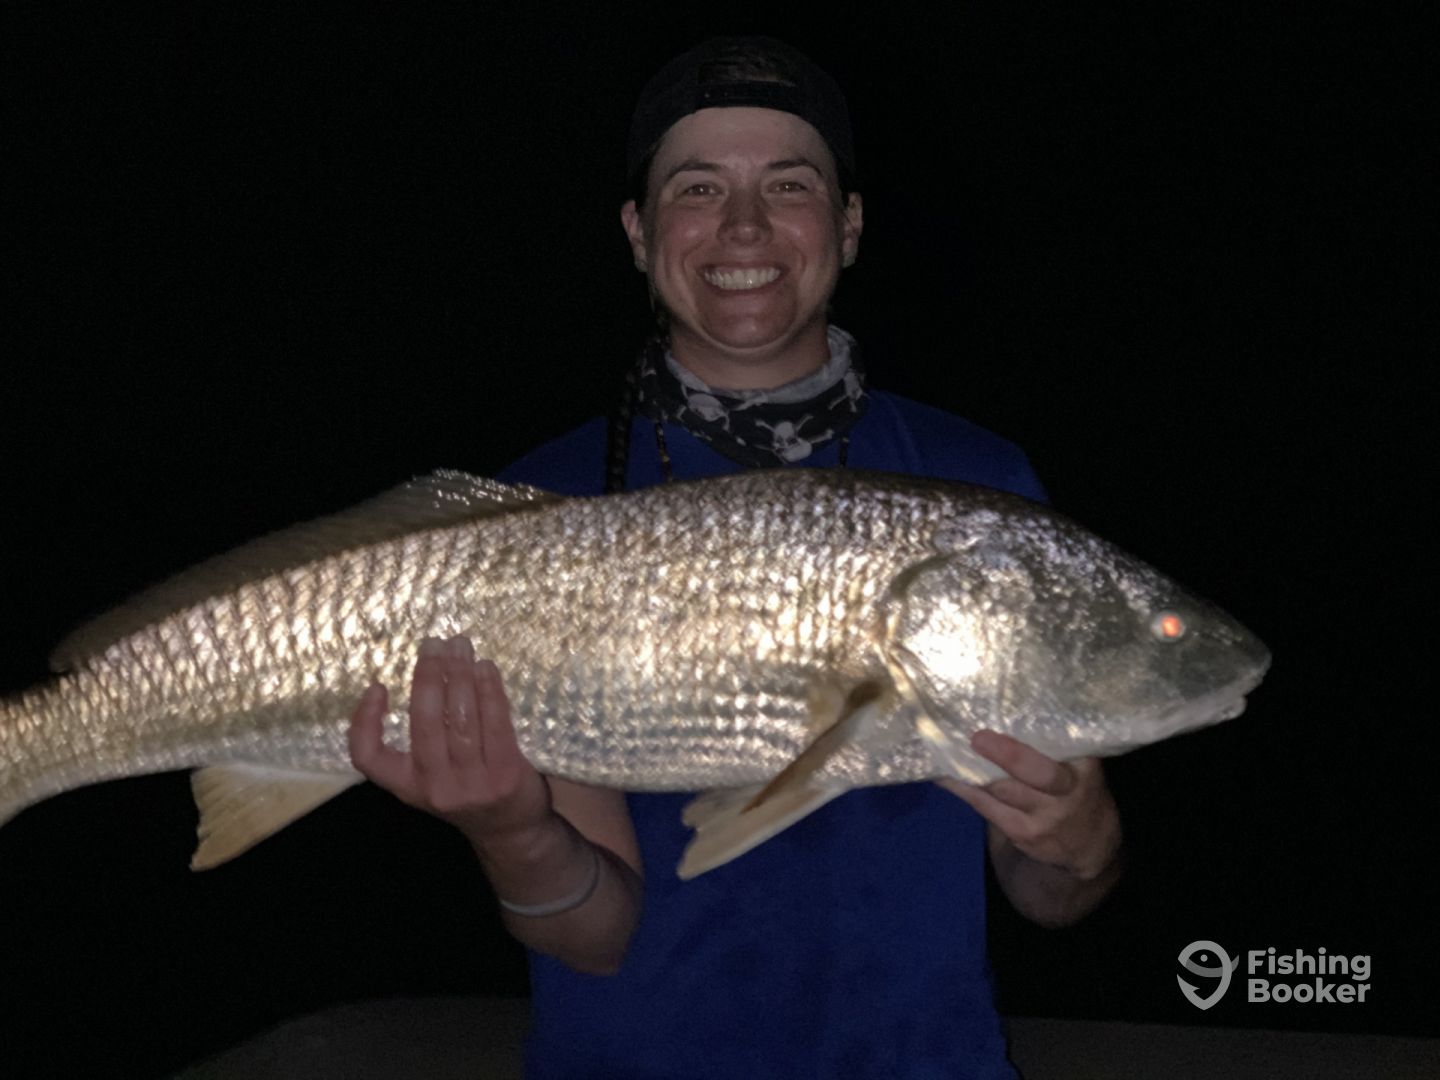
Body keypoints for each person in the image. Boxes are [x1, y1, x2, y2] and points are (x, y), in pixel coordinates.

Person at [349, 36, 1123, 1079]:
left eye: (789, 185)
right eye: (698, 187)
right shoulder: (538, 516)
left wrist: (1083, 842)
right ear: (640, 232)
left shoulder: (976, 491)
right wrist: (512, 832)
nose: (745, 225)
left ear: (848, 225)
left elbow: (1050, 894)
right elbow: (594, 936)